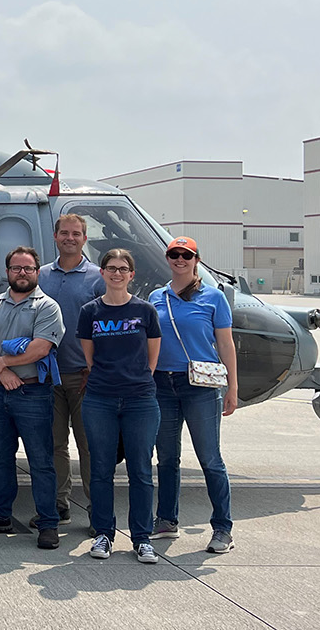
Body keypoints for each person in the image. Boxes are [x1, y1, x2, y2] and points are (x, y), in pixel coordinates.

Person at [0, 246, 66, 549]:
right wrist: (1, 371)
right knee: (0, 459)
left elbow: (41, 348)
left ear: (37, 271)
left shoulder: (47, 306)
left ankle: (48, 523)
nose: (22, 273)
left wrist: (4, 365)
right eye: (16, 268)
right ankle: (0, 515)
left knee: (40, 460)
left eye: (28, 268)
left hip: (33, 392)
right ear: (7, 271)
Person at [150, 236, 238, 554]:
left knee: (210, 460)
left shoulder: (213, 298)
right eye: (174, 254)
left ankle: (223, 528)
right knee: (167, 458)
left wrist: (232, 388)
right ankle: (166, 520)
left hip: (201, 387)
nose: (180, 259)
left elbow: (226, 345)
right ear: (167, 258)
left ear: (196, 259)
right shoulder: (156, 297)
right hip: (163, 384)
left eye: (186, 255)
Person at [79, 249, 163, 564]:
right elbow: (90, 357)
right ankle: (103, 534)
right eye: (111, 268)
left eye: (123, 268)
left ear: (131, 275)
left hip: (140, 399)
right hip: (100, 398)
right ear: (102, 273)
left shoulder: (145, 311)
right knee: (101, 469)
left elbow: (151, 358)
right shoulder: (91, 312)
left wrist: (134, 381)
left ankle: (142, 538)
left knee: (141, 469)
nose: (117, 273)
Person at [37, 213, 105, 526]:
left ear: (84, 239)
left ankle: (97, 513)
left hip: (84, 376)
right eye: (64, 233)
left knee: (89, 447)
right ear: (55, 237)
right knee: (53, 445)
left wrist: (98, 367)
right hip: (48, 375)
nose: (70, 238)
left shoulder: (97, 277)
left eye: (76, 234)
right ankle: (58, 505)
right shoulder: (41, 276)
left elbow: (106, 325)